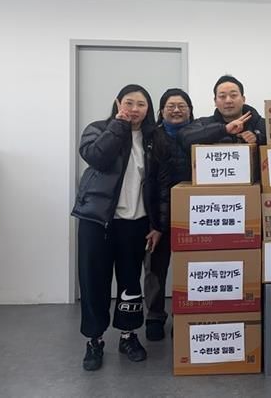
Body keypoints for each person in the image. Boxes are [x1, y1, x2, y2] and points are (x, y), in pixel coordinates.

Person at [71, 84, 161, 371]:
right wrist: (118, 126)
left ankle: (128, 335)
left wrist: (156, 224)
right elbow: (97, 157)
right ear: (118, 103)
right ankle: (94, 340)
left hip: (135, 223)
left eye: (141, 104)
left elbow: (159, 183)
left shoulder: (152, 139)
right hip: (98, 221)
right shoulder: (98, 129)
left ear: (148, 109)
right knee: (94, 282)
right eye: (129, 103)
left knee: (130, 283)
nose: (134, 109)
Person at [143, 88, 194, 342]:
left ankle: (182, 315)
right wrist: (155, 222)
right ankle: (154, 315)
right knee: (155, 268)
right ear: (161, 111)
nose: (176, 110)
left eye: (181, 106)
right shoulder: (150, 138)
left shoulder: (199, 135)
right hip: (155, 215)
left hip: (192, 216)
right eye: (170, 106)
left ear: (190, 110)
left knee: (189, 269)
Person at [177, 75, 266, 149]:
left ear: (243, 99)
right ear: (215, 101)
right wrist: (224, 129)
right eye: (222, 96)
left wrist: (258, 138)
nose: (228, 100)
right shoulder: (204, 123)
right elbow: (185, 138)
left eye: (233, 95)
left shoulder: (262, 124)